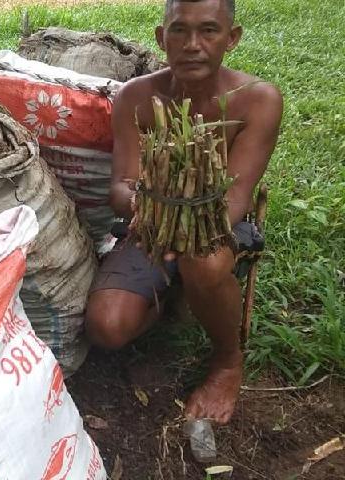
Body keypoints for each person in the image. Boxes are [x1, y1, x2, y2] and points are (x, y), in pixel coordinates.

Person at [86, 0, 283, 424]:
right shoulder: (137, 97)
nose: (193, 45)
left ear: (232, 38)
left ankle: (228, 361)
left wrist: (186, 234)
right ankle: (176, 296)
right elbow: (122, 187)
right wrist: (150, 211)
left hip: (218, 226)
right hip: (149, 226)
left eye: (209, 31)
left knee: (203, 261)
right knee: (106, 327)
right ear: (162, 38)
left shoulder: (257, 101)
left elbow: (236, 197)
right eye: (179, 31)